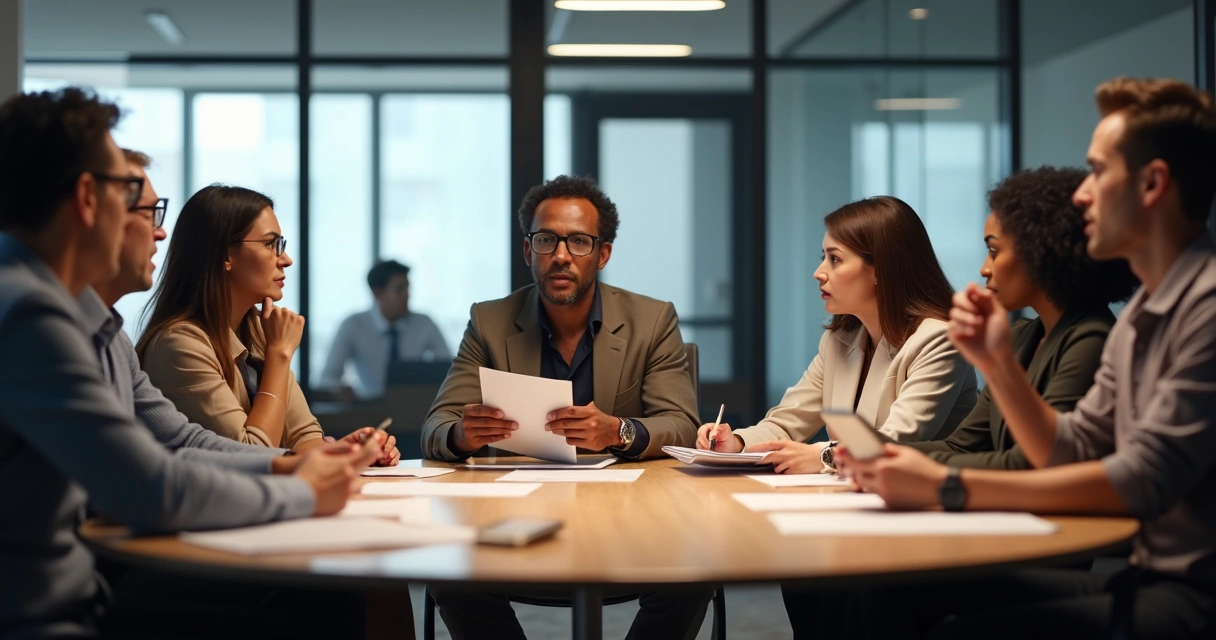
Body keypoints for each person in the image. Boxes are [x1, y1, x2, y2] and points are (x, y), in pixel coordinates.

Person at [0, 87, 377, 638]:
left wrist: (286, 465)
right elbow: (150, 486)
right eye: (133, 197)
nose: (158, 229)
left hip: (85, 590)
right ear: (86, 198)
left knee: (329, 599)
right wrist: (303, 492)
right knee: (322, 605)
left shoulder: (92, 320)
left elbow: (178, 442)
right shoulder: (29, 314)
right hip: (49, 617)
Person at [847, 77, 1216, 639]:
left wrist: (946, 485)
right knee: (888, 583)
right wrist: (997, 361)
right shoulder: (1145, 310)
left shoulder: (1205, 307)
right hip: (1145, 577)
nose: (1082, 195)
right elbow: (1072, 449)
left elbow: (1142, 479)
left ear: (1152, 184)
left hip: (1195, 595)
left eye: (1098, 171)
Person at [780, 167, 1140, 640]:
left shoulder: (1090, 339)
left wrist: (917, 471)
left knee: (868, 579)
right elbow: (962, 443)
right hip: (994, 517)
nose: (984, 269)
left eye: (994, 251)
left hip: (1042, 537)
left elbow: (1036, 462)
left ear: (1042, 254)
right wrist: (874, 458)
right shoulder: (1021, 336)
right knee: (823, 571)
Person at [422, 175, 707, 640]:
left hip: (630, 514)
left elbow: (681, 424)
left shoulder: (652, 320)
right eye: (546, 240)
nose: (560, 255)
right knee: (451, 575)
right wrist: (461, 434)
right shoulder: (489, 321)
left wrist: (618, 431)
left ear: (603, 253)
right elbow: (437, 426)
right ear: (527, 250)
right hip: (514, 512)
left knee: (693, 572)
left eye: (578, 241)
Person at [698, 196, 978, 475]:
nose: (818, 273)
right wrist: (736, 443)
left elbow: (896, 441)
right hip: (863, 493)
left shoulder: (940, 340)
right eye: (824, 258)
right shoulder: (840, 340)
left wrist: (823, 456)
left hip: (929, 498)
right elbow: (787, 422)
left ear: (881, 269)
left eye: (835, 259)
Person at [136, 185, 398, 462]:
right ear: (225, 255)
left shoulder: (259, 330)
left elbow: (304, 438)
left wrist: (350, 452)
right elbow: (253, 456)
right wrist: (280, 355)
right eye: (270, 244)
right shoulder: (179, 344)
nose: (286, 260)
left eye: (281, 245)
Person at [319, 259, 451, 399]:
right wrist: (339, 389)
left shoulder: (424, 324)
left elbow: (451, 371)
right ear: (378, 293)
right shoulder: (353, 326)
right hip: (369, 407)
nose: (407, 295)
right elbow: (327, 378)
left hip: (417, 405)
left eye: (408, 288)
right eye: (399, 289)